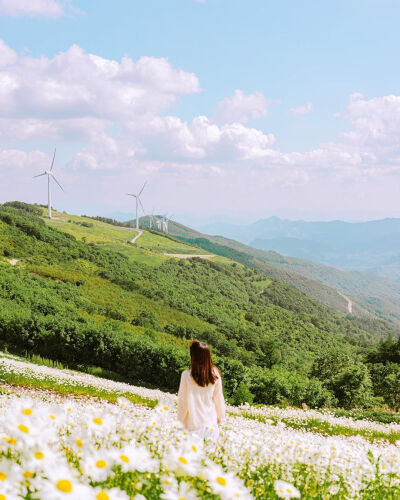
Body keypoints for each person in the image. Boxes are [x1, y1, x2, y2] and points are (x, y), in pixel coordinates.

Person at [177, 340, 225, 439]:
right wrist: (220, 416)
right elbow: (218, 398)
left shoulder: (186, 375)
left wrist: (179, 422)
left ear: (193, 357)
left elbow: (183, 402)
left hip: (193, 425)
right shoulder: (215, 375)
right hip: (211, 425)